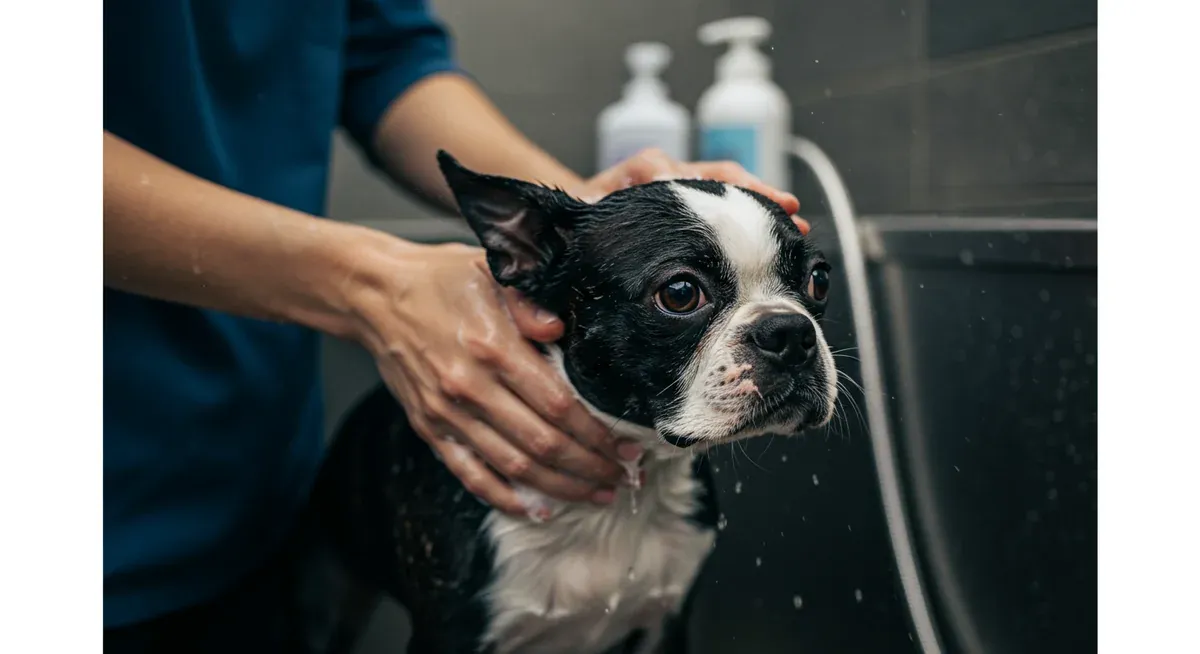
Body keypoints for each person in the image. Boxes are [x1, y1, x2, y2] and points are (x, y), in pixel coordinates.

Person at [103, 0, 806, 650]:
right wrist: (372, 283)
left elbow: (384, 52)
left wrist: (594, 224)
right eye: (681, 293)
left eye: (811, 282)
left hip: (249, 478)